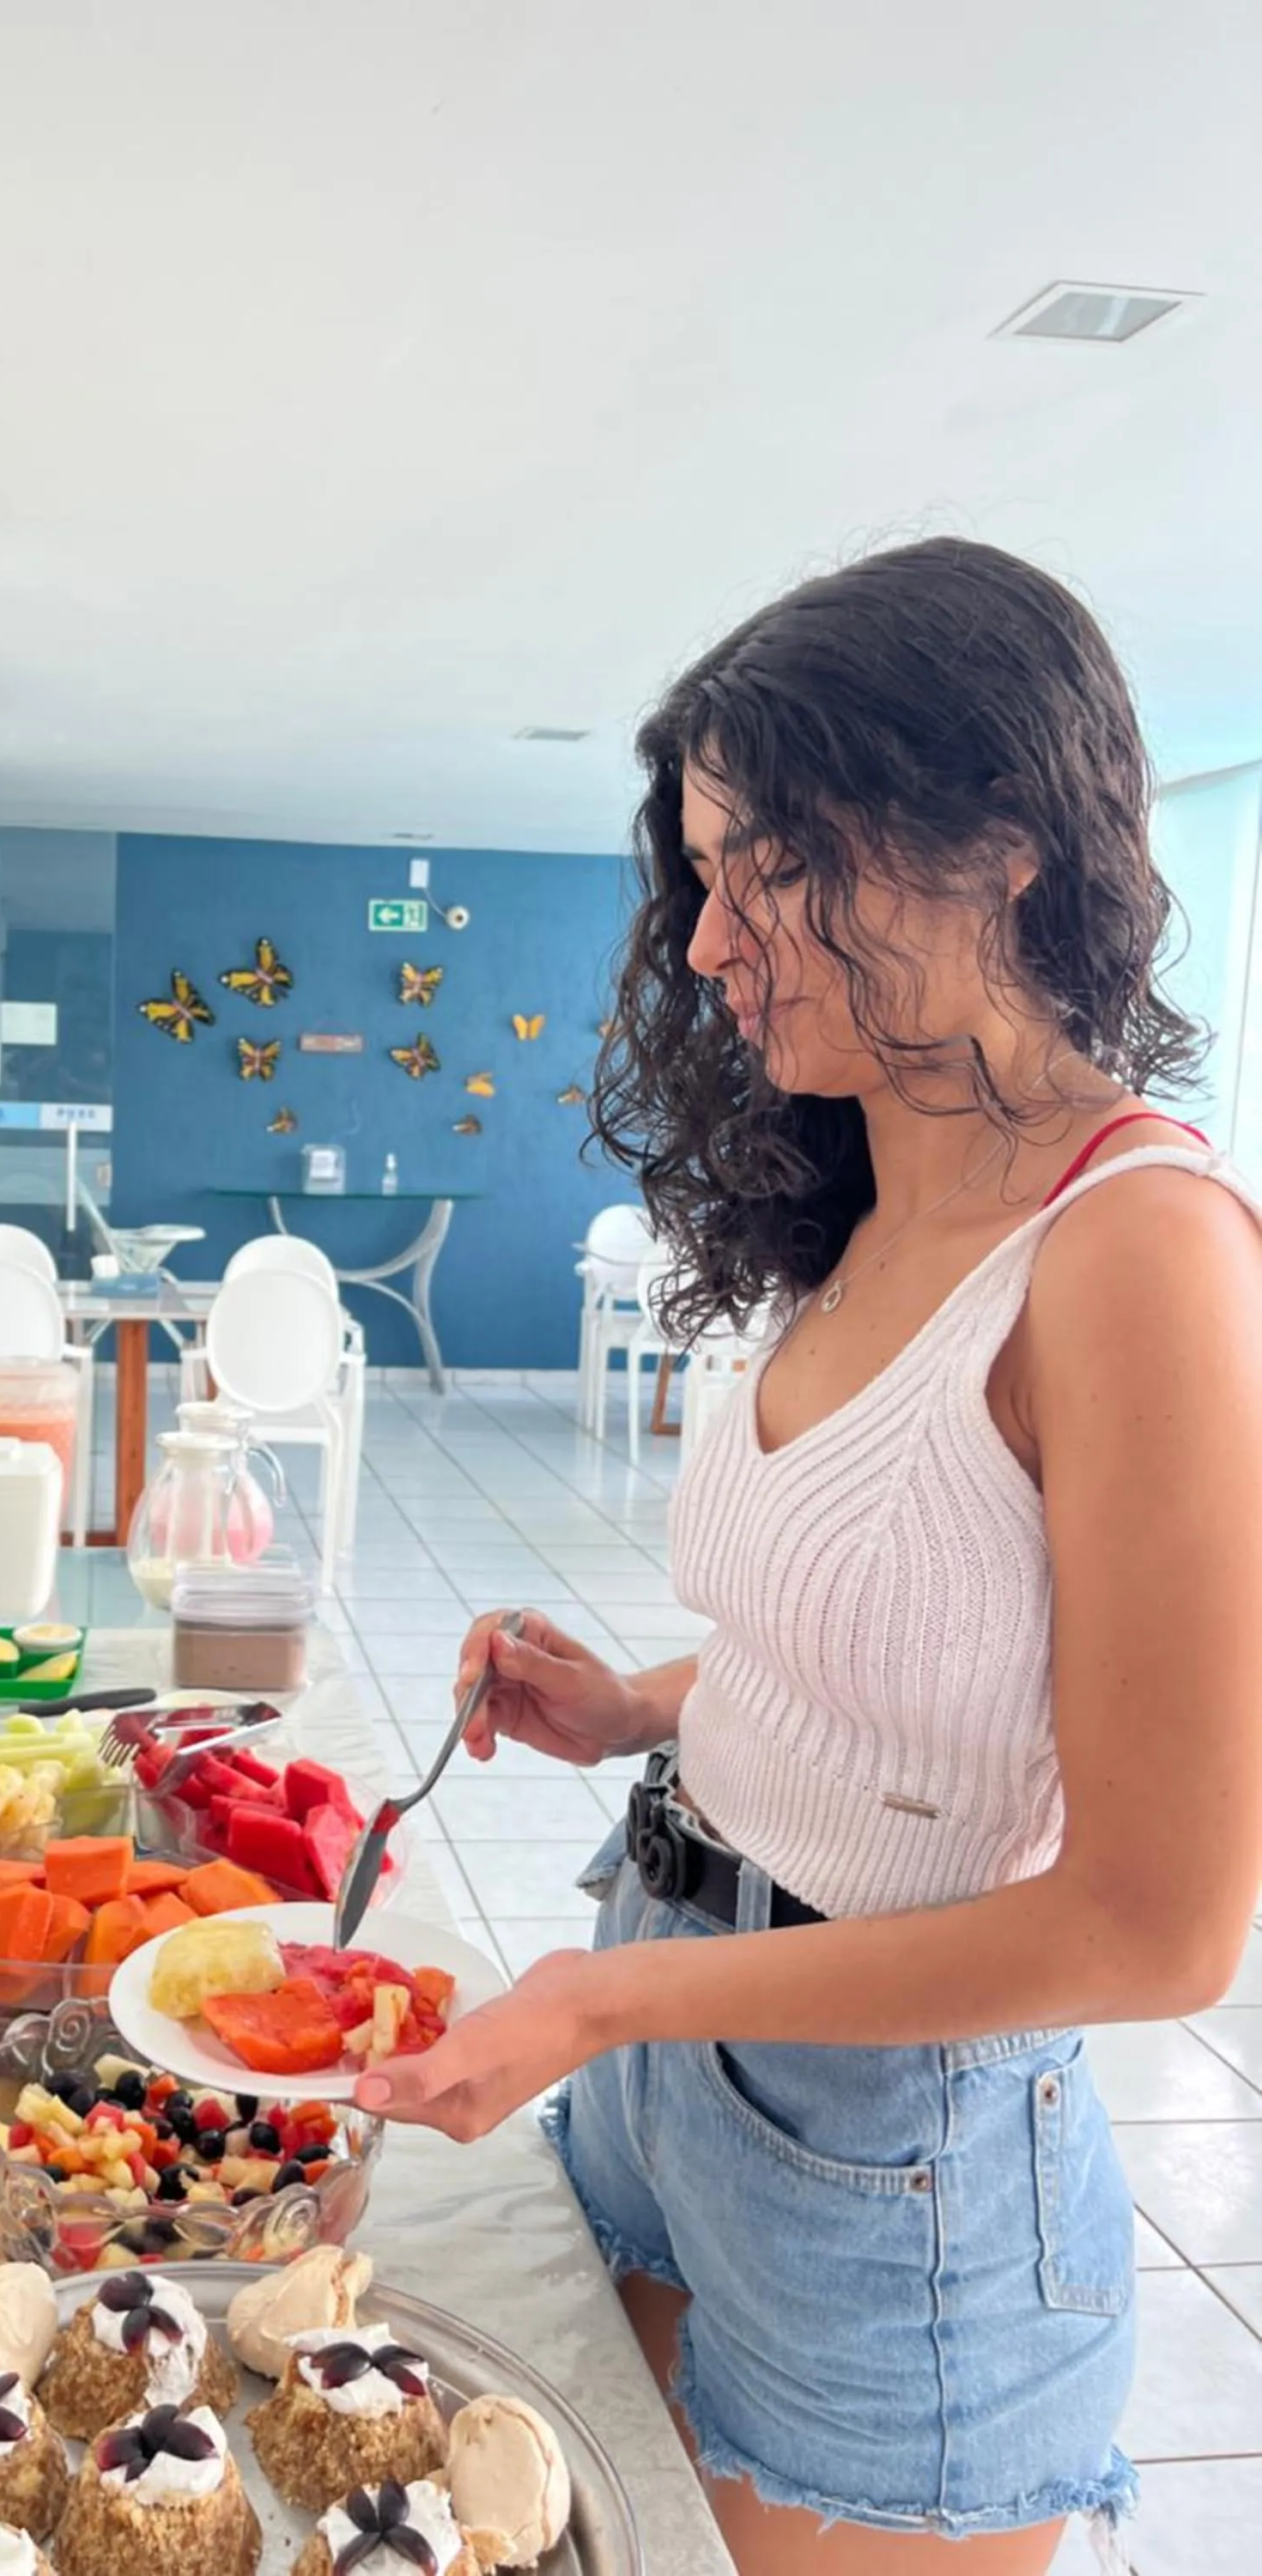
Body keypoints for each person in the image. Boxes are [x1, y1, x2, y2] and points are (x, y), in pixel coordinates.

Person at [352, 538, 1262, 2573]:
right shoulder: (855, 1201)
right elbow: (920, 1650)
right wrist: (636, 1713)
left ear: (999, 844)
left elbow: (1160, 1925)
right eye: (703, 877)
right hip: (687, 2027)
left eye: (769, 869)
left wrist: (594, 2010)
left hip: (898, 2162)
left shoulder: (1138, 1253)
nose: (707, 941)